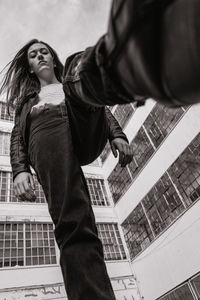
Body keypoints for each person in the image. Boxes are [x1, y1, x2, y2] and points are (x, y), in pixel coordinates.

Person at [0, 39, 133, 300]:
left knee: (77, 73)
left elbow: (103, 112)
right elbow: (18, 136)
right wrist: (19, 170)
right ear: (28, 67)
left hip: (81, 124)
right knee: (75, 221)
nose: (39, 56)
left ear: (52, 57)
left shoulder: (69, 85)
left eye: (44, 52)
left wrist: (117, 135)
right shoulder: (27, 101)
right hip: (46, 135)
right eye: (33, 55)